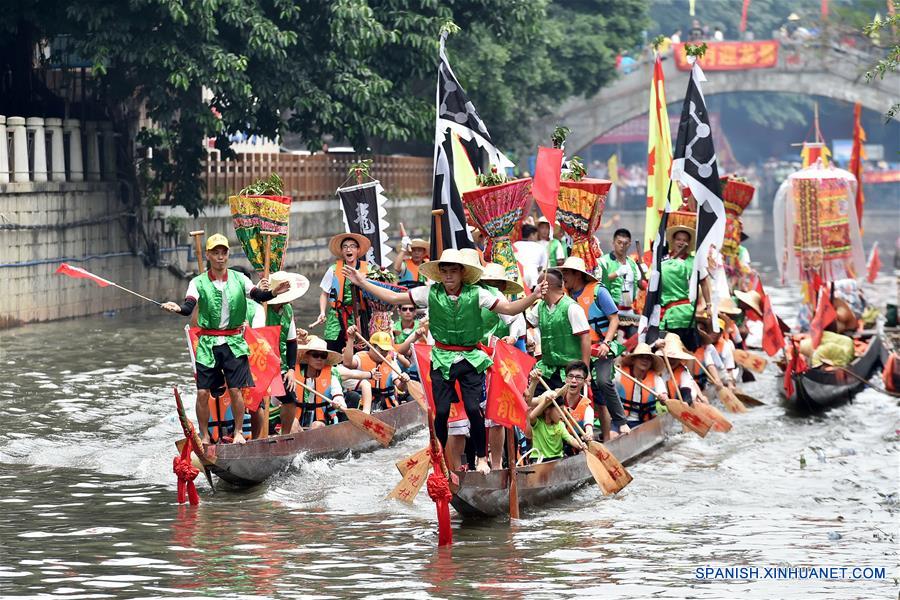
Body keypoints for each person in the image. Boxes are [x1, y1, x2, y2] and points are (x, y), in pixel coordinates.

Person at [340, 248, 547, 475]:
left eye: (453, 271)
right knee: (440, 411)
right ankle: (438, 457)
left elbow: (509, 308)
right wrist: (362, 282)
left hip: (471, 357)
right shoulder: (429, 293)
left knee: (471, 408)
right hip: (441, 358)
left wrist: (534, 296)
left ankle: (480, 458)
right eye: (444, 271)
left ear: (462, 273)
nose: (448, 276)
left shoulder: (479, 294)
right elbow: (393, 297)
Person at [161, 233, 290, 444]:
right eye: (215, 253)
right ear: (209, 255)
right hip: (208, 344)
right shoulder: (197, 282)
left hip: (234, 343)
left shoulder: (240, 279)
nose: (220, 257)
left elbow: (258, 295)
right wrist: (176, 308)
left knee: (236, 389)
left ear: (228, 255)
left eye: (224, 252)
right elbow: (188, 307)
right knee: (203, 392)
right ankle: (204, 436)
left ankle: (239, 432)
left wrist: (273, 292)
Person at [557, 256, 629, 440]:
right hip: (576, 350)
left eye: (566, 273)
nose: (563, 277)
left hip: (600, 348)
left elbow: (614, 319)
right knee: (571, 389)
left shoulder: (598, 291)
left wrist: (606, 343)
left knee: (603, 382)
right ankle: (572, 440)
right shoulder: (563, 294)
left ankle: (619, 423)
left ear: (577, 275)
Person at [528, 268, 592, 390]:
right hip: (546, 369)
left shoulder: (572, 308)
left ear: (545, 286)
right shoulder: (540, 306)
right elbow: (525, 324)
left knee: (563, 408)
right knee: (534, 403)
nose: (536, 288)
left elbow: (585, 338)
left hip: (569, 372)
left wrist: (585, 370)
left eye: (538, 285)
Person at [263, 271, 310, 434]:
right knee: (257, 404)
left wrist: (291, 369)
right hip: (258, 363)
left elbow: (291, 342)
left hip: (278, 364)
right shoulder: (261, 308)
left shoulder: (288, 308)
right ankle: (256, 436)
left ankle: (285, 435)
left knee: (290, 399)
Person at [311, 233, 372, 352]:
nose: (348, 249)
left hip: (359, 317)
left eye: (352, 246)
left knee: (359, 352)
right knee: (333, 349)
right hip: (336, 315)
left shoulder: (368, 270)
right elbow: (324, 293)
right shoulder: (333, 269)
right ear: (342, 251)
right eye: (345, 247)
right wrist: (322, 312)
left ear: (358, 250)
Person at [659, 221, 704, 351]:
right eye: (678, 239)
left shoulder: (693, 262)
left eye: (684, 240)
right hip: (667, 312)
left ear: (689, 243)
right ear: (672, 241)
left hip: (688, 312)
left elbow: (703, 283)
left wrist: (706, 306)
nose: (681, 242)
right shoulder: (663, 260)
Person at [342, 327, 409, 412]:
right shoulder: (360, 358)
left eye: (386, 351)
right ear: (371, 346)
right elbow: (347, 363)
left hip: (386, 405)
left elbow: (401, 387)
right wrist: (351, 338)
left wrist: (404, 381)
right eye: (381, 350)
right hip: (364, 404)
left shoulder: (390, 362)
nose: (384, 354)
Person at [294, 336, 347, 429]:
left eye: (323, 356)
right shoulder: (294, 376)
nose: (319, 359)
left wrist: (338, 403)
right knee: (293, 422)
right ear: (307, 357)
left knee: (316, 425)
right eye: (315, 355)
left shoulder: (331, 377)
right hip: (298, 421)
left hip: (322, 421)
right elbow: (275, 402)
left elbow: (339, 397)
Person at [599, 228, 643, 334]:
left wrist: (643, 272)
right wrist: (616, 274)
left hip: (629, 310)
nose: (622, 246)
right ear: (613, 242)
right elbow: (599, 282)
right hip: (610, 311)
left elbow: (641, 285)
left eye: (625, 243)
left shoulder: (632, 263)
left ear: (629, 244)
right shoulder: (604, 261)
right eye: (619, 242)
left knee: (631, 344)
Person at [615, 343, 668, 427]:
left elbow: (664, 396)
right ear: (633, 360)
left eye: (648, 358)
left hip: (646, 422)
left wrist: (663, 398)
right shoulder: (619, 374)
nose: (645, 360)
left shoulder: (656, 378)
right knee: (613, 434)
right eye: (641, 357)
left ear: (651, 363)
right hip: (622, 421)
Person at [526, 389, 581, 463]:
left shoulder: (560, 424)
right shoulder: (538, 423)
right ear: (547, 410)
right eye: (559, 410)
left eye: (562, 410)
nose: (562, 414)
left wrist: (579, 445)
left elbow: (570, 438)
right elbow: (531, 417)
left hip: (557, 459)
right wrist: (545, 402)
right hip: (539, 459)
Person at [559, 361, 595, 439]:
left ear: (584, 382)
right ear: (565, 379)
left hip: (572, 446)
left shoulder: (587, 408)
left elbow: (589, 428)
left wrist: (589, 434)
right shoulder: (554, 398)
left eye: (578, 377)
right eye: (570, 376)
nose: (574, 380)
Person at [514, 223, 548, 289]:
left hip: (517, 280)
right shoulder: (540, 247)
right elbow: (544, 268)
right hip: (533, 280)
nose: (536, 237)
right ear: (532, 235)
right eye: (536, 235)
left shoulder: (514, 245)